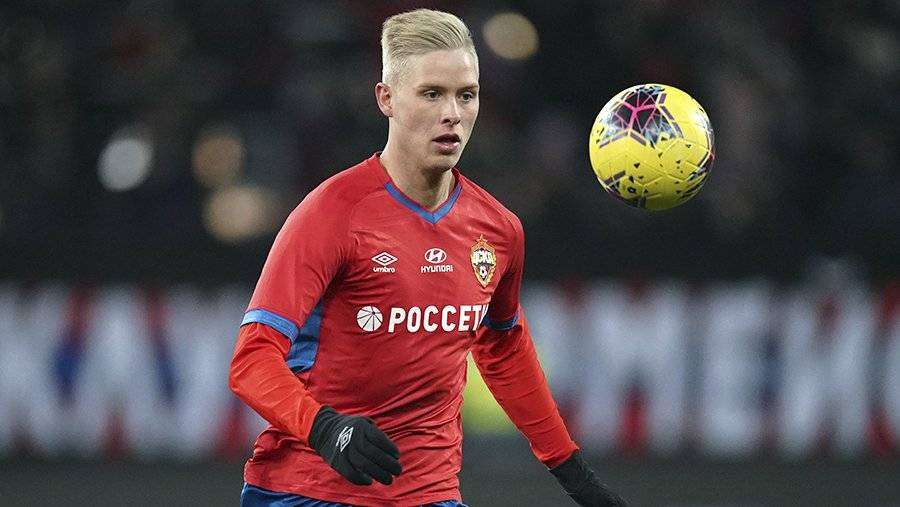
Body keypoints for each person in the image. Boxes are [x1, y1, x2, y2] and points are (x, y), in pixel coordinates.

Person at [229, 8, 626, 507]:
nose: (452, 114)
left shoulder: (498, 229)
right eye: (432, 94)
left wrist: (572, 472)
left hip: (430, 495)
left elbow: (503, 347)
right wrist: (324, 428)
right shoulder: (332, 213)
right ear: (386, 99)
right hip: (304, 492)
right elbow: (252, 360)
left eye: (467, 95)